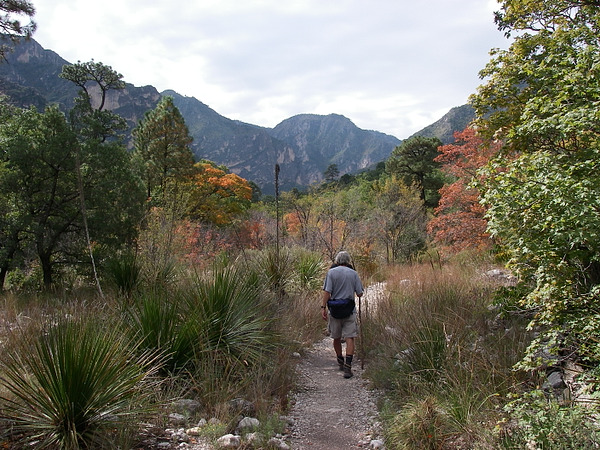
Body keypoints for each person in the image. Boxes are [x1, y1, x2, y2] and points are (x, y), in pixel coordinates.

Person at [321, 251, 363, 379]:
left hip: (335, 310)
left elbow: (327, 292)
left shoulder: (331, 273)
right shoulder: (353, 273)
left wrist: (323, 307)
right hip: (349, 309)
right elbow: (360, 293)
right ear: (348, 261)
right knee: (350, 337)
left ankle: (340, 361)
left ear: (337, 261)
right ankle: (348, 367)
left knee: (336, 337)